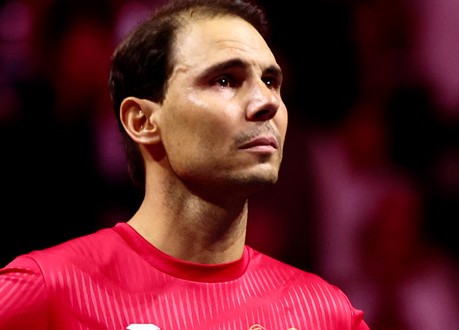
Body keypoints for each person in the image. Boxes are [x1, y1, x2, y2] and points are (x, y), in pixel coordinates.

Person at [0, 0, 370, 329]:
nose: (266, 102)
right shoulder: (46, 290)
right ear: (143, 121)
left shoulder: (324, 314)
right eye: (225, 80)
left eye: (271, 81)